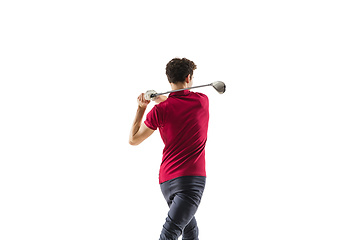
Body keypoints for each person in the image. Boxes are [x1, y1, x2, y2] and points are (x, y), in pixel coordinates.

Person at [129, 58, 209, 240]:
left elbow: (133, 139)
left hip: (167, 182)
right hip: (191, 182)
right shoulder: (202, 101)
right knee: (170, 234)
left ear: (169, 80)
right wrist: (160, 100)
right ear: (188, 78)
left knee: (190, 232)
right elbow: (181, 104)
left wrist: (141, 108)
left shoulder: (160, 110)